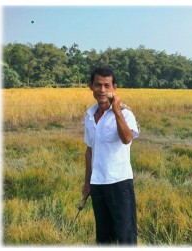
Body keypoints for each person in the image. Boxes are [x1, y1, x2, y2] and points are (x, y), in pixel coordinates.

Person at [82, 66, 139, 245]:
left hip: (119, 183)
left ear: (114, 87)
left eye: (107, 86)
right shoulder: (89, 115)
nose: (102, 90)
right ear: (91, 86)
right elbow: (90, 150)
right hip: (98, 185)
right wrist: (87, 183)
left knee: (126, 236)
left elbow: (127, 138)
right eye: (98, 85)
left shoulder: (125, 114)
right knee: (104, 237)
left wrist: (116, 111)